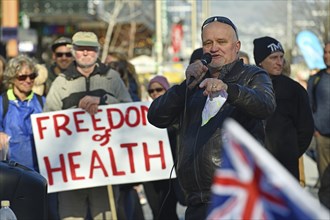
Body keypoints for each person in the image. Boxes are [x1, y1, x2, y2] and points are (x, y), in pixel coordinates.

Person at [147, 16, 276, 220]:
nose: (213, 48)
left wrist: (230, 90)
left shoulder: (253, 75)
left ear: (236, 46)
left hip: (235, 196)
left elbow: (265, 105)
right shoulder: (194, 83)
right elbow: (156, 116)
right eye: (208, 43)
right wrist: (183, 87)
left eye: (221, 42)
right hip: (197, 200)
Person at [43, 31, 132, 220]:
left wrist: (104, 100)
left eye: (90, 49)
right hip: (71, 171)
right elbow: (47, 120)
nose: (85, 53)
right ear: (73, 51)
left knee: (107, 216)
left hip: (106, 168)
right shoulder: (60, 83)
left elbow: (130, 112)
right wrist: (75, 111)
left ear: (97, 52)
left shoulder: (112, 77)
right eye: (80, 49)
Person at [253, 36, 314, 180]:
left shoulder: (295, 90)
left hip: (286, 168)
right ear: (260, 61)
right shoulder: (248, 88)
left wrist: (290, 152)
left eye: (281, 57)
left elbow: (306, 129)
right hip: (256, 166)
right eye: (273, 58)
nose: (279, 62)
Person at [143, 75, 186, 220]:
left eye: (158, 89)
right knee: (157, 211)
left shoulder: (175, 110)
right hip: (150, 170)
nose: (155, 93)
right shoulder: (141, 112)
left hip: (169, 169)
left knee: (168, 210)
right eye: (151, 91)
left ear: (166, 89)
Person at [0, 54, 44, 170]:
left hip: (39, 172)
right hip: (12, 172)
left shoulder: (42, 102)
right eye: (22, 77)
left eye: (32, 76)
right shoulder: (2, 103)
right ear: (12, 78)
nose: (28, 80)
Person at [306, 42, 330, 196]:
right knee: (326, 181)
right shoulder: (316, 79)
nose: (326, 55)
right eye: (325, 52)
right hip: (322, 137)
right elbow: (309, 105)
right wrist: (315, 130)